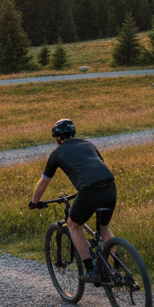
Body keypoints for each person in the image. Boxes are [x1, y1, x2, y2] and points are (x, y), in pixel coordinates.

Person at [28, 118, 115, 284]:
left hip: (89, 191)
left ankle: (91, 270)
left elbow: (44, 181)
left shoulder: (56, 154)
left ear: (58, 139)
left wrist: (34, 202)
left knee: (73, 225)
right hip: (110, 186)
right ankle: (113, 267)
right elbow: (98, 165)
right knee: (104, 227)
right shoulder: (88, 144)